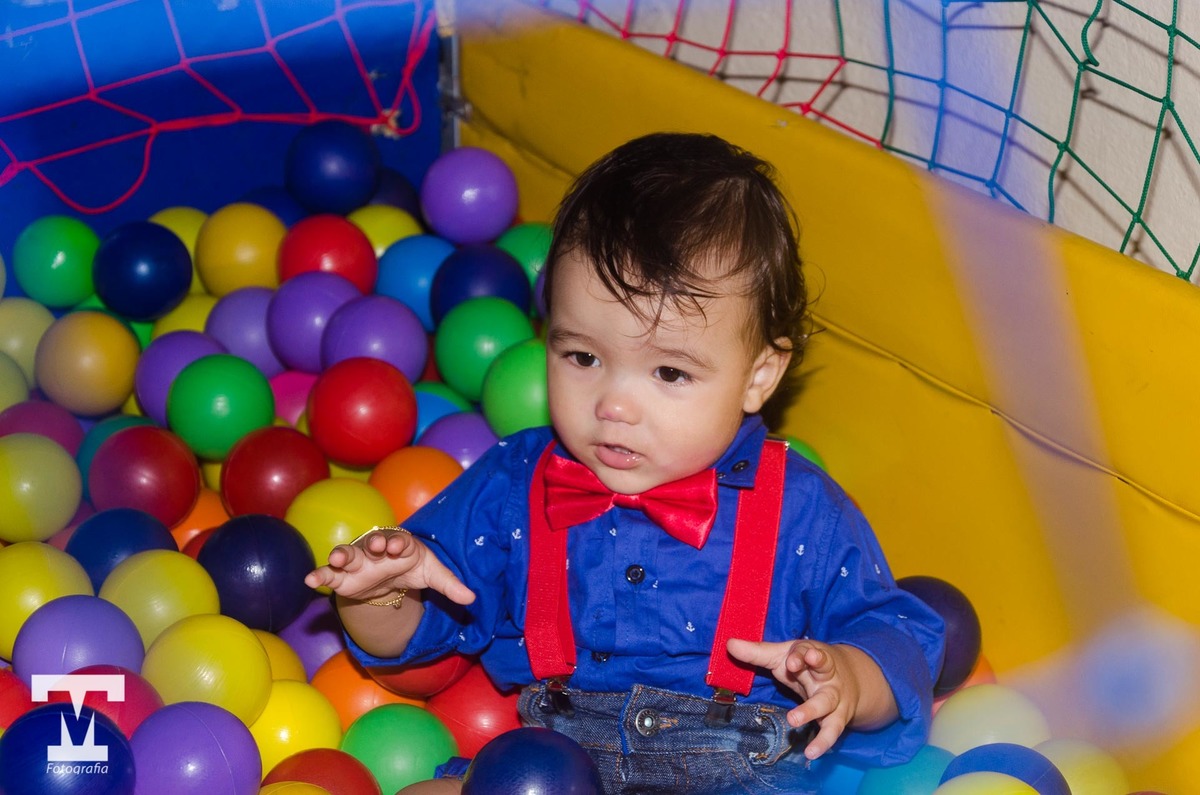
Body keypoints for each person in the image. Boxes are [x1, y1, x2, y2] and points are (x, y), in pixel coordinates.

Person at [306, 131, 945, 794]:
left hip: (735, 777)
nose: (613, 405)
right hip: (553, 770)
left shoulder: (799, 508)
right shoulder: (514, 485)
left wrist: (848, 676)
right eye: (583, 357)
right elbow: (416, 632)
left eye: (669, 372)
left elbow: (897, 632)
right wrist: (377, 597)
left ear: (758, 376)